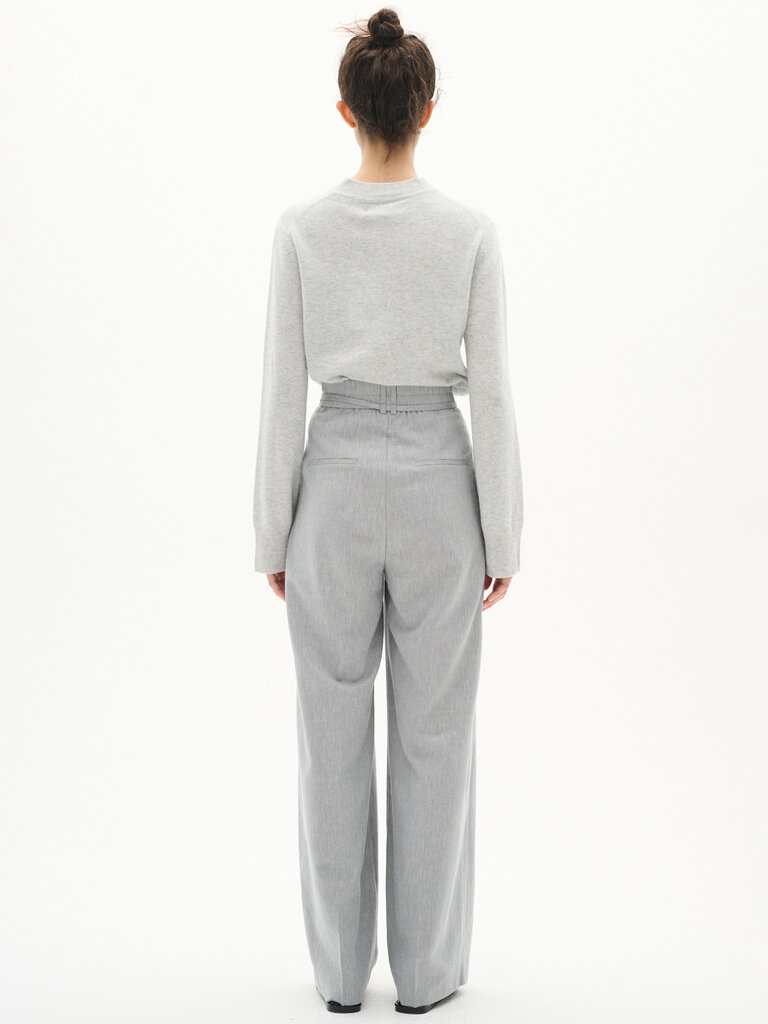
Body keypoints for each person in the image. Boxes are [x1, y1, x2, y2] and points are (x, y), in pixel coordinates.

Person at [252, 8, 524, 1014]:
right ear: (428, 109)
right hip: (439, 487)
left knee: (329, 739)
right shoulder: (469, 233)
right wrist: (504, 531)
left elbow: (282, 392)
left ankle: (338, 977)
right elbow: (493, 396)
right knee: (436, 737)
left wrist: (271, 530)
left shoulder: (301, 230)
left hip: (332, 485)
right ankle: (426, 975)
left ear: (345, 111)